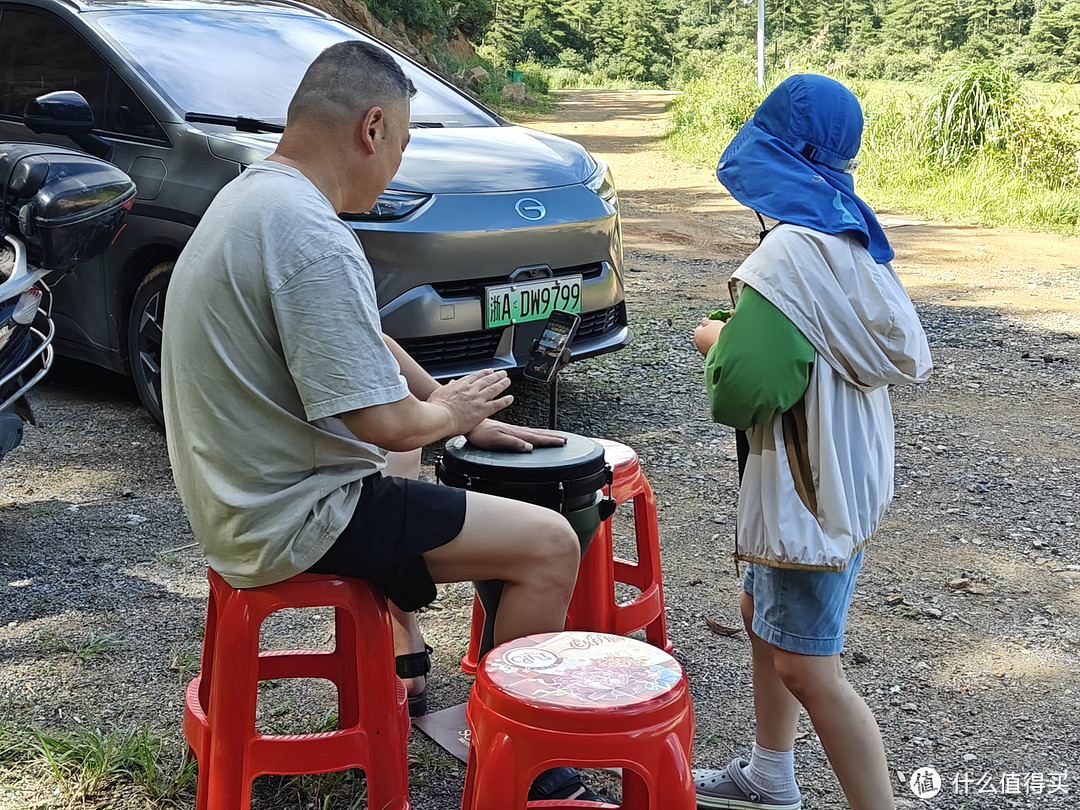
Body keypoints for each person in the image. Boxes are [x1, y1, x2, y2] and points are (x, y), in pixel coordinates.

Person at [161, 40, 603, 803]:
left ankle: (439, 683)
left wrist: (460, 421)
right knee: (549, 543)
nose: (397, 163)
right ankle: (519, 762)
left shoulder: (255, 199)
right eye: (401, 142)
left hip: (240, 499)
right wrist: (447, 413)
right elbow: (386, 426)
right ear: (372, 128)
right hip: (297, 515)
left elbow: (367, 336)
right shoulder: (312, 237)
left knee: (429, 485)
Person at [690, 74, 933, 810]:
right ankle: (769, 774)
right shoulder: (849, 236)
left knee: (808, 667)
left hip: (805, 495)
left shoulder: (788, 255)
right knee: (758, 615)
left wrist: (715, 341)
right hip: (841, 477)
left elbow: (745, 390)